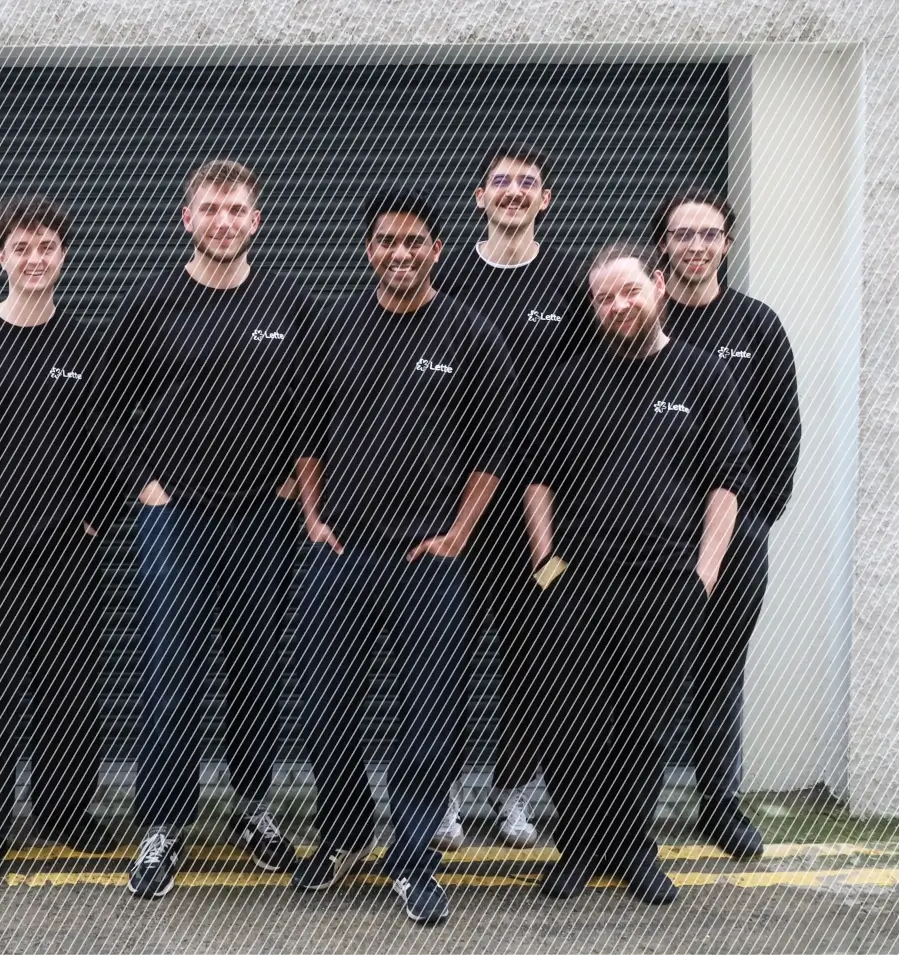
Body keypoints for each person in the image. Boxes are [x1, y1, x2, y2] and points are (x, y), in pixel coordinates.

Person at [288, 189, 516, 924]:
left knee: (429, 714)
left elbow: (494, 451)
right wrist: (314, 515)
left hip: (431, 559)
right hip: (343, 552)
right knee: (324, 707)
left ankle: (412, 856)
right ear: (368, 249)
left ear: (436, 251)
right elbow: (307, 436)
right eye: (387, 240)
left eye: (415, 241)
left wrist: (458, 534)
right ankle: (348, 832)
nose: (400, 253)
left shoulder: (472, 334)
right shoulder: (335, 328)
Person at [98, 159, 315, 899]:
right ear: (186, 218)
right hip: (176, 520)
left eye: (237, 209)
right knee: (170, 672)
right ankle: (163, 822)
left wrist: (295, 475)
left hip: (262, 517)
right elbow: (102, 406)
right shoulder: (153, 303)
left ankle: (254, 808)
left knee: (256, 666)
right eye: (211, 208)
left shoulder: (290, 305)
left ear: (258, 220)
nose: (224, 221)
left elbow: (319, 402)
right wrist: (145, 485)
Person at [524, 241, 751, 905]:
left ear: (656, 286)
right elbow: (537, 479)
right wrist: (546, 567)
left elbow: (726, 482)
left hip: (666, 582)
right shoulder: (569, 381)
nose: (617, 306)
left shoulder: (703, 376)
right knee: (571, 717)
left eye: (628, 291)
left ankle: (630, 845)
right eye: (603, 298)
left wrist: (704, 573)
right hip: (577, 580)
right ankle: (582, 843)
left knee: (644, 722)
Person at [0, 196, 121, 887]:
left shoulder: (83, 347)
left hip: (65, 554)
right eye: (23, 247)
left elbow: (112, 443)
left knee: (68, 691)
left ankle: (62, 810)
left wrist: (96, 517)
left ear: (62, 257)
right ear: (1, 257)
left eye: (47, 247)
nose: (35, 258)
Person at [437, 142, 590, 850]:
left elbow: (600, 388)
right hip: (452, 509)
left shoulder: (569, 281)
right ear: (480, 196)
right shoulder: (450, 275)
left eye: (528, 183)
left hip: (540, 518)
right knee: (441, 651)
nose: (514, 192)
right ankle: (443, 795)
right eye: (501, 182)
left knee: (535, 653)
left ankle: (511, 793)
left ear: (545, 199)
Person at [654, 188, 802, 858]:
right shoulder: (644, 322)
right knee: (640, 673)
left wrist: (754, 520)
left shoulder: (756, 326)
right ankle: (628, 812)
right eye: (682, 234)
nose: (695, 246)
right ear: (663, 243)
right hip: (652, 539)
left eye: (708, 234)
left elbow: (782, 433)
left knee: (718, 670)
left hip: (735, 538)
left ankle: (720, 805)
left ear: (727, 242)